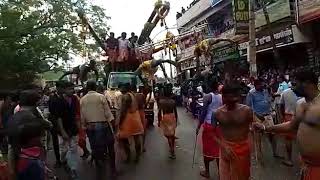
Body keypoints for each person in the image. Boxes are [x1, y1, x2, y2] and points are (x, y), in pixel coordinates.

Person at [254, 70, 320, 180]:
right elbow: (291, 125)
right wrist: (265, 128)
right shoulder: (301, 104)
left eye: (295, 84)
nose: (292, 88)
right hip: (306, 166)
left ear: (307, 83)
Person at [7, 90, 52, 180]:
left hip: (18, 160)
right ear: (35, 103)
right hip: (33, 161)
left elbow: (11, 146)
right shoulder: (34, 119)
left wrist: (11, 169)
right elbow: (49, 126)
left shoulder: (12, 119)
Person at [214, 83, 253, 180]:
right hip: (225, 150)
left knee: (242, 176)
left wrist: (257, 127)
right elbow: (212, 132)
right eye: (228, 99)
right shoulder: (217, 113)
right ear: (223, 97)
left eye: (234, 99)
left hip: (243, 149)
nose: (231, 102)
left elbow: (253, 126)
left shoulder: (246, 110)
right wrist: (223, 146)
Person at [80, 80, 116, 178]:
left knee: (95, 148)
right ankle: (113, 169)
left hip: (90, 127)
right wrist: (114, 125)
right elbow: (108, 113)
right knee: (110, 146)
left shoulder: (82, 99)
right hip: (103, 125)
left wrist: (84, 126)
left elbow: (82, 115)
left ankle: (99, 169)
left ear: (87, 87)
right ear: (95, 87)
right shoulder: (101, 97)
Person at [49, 81, 79, 179]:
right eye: (70, 89)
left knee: (74, 149)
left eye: (73, 88)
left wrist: (78, 125)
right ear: (64, 90)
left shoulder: (74, 99)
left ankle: (73, 169)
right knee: (64, 149)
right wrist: (62, 131)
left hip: (73, 128)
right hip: (63, 129)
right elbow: (58, 117)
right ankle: (63, 161)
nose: (72, 90)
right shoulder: (58, 100)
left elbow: (76, 114)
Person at [246, 78, 280, 160]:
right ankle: (259, 156)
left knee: (272, 134)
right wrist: (256, 115)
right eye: (260, 84)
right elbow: (249, 107)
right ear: (256, 85)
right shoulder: (251, 93)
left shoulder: (265, 91)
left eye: (263, 84)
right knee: (258, 137)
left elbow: (268, 100)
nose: (262, 86)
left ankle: (275, 153)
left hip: (268, 115)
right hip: (258, 117)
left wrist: (271, 110)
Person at [196, 79, 222, 178]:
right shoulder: (221, 96)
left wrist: (199, 125)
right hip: (219, 125)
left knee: (207, 149)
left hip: (209, 124)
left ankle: (207, 172)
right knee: (218, 148)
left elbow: (203, 113)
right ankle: (220, 172)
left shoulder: (207, 96)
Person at [117, 83, 144, 163]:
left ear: (125, 88)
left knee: (123, 138)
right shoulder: (133, 95)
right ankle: (137, 156)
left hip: (128, 118)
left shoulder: (126, 97)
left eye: (121, 88)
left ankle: (128, 156)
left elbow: (123, 111)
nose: (120, 90)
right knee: (136, 137)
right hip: (136, 117)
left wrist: (120, 122)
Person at [279, 84, 300, 166]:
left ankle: (289, 159)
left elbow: (281, 105)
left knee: (288, 138)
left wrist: (283, 116)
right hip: (300, 116)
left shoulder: (285, 92)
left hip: (288, 115)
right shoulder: (302, 93)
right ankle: (303, 159)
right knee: (301, 137)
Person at [158, 84, 178, 159]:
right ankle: (172, 149)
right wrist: (176, 120)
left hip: (165, 117)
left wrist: (159, 121)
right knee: (172, 135)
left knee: (168, 135)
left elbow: (159, 112)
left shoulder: (161, 101)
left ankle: (172, 150)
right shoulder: (173, 101)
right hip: (172, 117)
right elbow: (175, 112)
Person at [134, 85, 147, 151]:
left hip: (135, 113)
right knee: (143, 130)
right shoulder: (142, 95)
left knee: (136, 131)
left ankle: (137, 144)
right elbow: (145, 104)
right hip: (141, 112)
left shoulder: (132, 95)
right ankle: (143, 145)